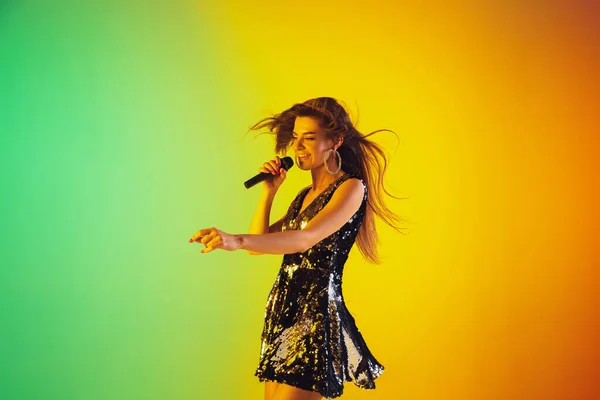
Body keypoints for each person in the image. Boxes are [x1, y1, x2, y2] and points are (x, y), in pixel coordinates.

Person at [189, 97, 404, 400]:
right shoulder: (303, 196)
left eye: (310, 138)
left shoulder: (350, 188)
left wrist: (235, 240)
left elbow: (305, 239)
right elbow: (258, 244)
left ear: (336, 141)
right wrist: (268, 193)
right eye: (295, 138)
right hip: (284, 313)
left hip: (314, 316)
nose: (298, 146)